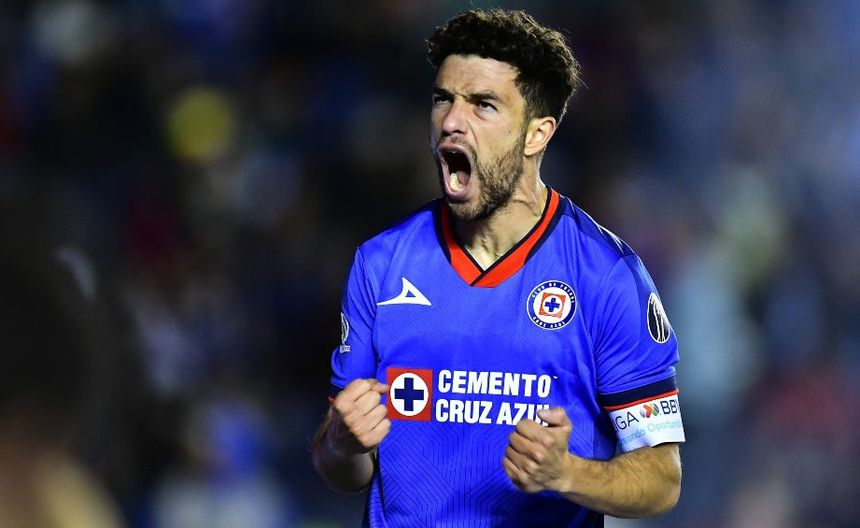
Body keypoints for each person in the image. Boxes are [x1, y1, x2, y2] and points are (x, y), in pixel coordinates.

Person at [312, 8, 685, 527]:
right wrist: (342, 442)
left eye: (482, 105)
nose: (451, 122)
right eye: (443, 99)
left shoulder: (605, 277)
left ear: (536, 134)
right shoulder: (382, 264)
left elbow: (662, 479)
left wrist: (568, 474)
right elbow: (342, 468)